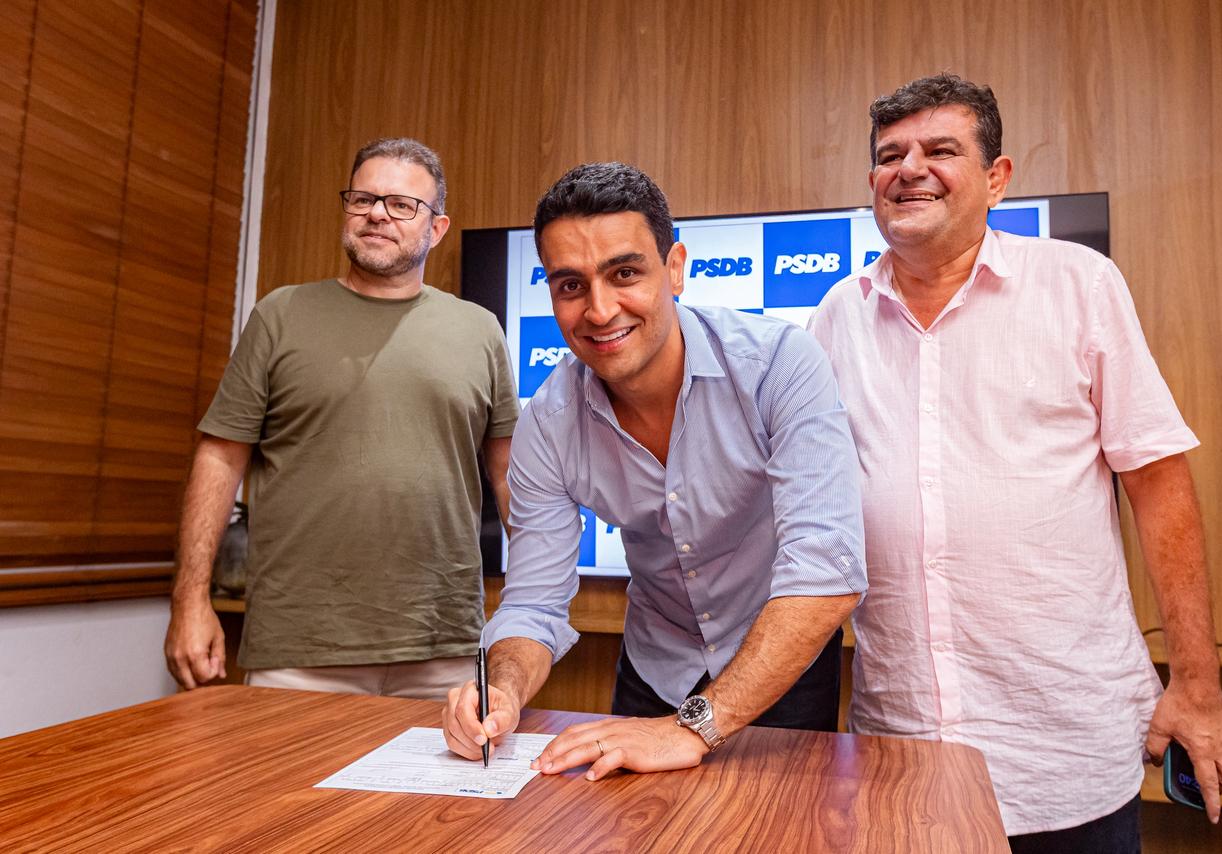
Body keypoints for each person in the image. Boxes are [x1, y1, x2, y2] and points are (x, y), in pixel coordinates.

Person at [808, 74, 1222, 849]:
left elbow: (1160, 485)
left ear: (997, 178)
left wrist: (1198, 684)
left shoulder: (1078, 284)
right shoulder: (839, 314)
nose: (909, 170)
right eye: (890, 155)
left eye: (941, 150)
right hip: (901, 745)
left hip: (1065, 751)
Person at [443, 162, 866, 778]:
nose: (599, 310)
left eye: (625, 273)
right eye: (570, 285)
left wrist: (693, 728)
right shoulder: (548, 423)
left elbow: (827, 566)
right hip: (654, 665)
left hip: (779, 661)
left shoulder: (779, 363)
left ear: (675, 268)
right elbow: (533, 603)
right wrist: (501, 689)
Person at [163, 137, 519, 700]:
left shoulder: (480, 330)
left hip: (444, 647)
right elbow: (220, 457)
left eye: (401, 204)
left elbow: (510, 477)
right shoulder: (280, 315)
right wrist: (189, 601)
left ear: (437, 228)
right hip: (300, 647)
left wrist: (529, 616)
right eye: (363, 199)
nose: (377, 213)